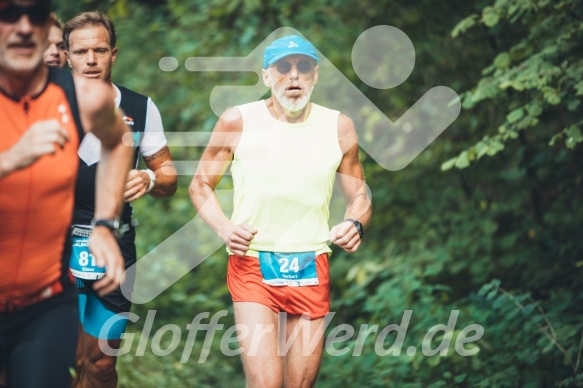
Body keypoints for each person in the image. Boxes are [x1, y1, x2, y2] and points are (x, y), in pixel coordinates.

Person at [189, 34, 371, 387]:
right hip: (253, 264)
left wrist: (355, 223)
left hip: (310, 262)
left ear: (315, 75)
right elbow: (199, 184)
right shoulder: (237, 121)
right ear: (266, 76)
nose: (294, 76)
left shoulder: (338, 126)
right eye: (283, 67)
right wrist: (224, 228)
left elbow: (359, 194)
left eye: (303, 67)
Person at [0, 0, 132, 386]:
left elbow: (120, 142)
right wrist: (10, 160)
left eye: (36, 15)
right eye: (9, 14)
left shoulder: (83, 97)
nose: (24, 27)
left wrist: (106, 224)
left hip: (45, 302)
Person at [63, 11, 177, 388]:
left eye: (99, 50)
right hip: (52, 242)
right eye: (81, 52)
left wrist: (148, 177)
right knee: (60, 357)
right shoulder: (45, 106)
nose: (91, 60)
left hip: (115, 243)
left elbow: (169, 178)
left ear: (115, 54)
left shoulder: (140, 108)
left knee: (98, 363)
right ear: (66, 55)